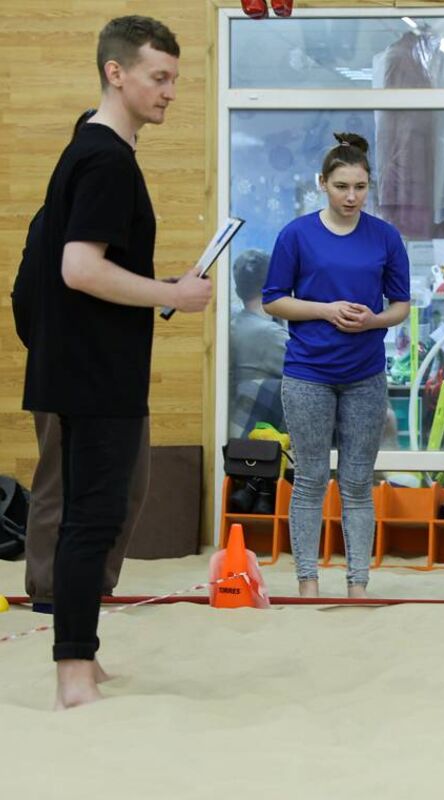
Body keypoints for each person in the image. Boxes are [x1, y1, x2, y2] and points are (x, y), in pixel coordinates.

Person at [22, 16, 213, 709]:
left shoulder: (95, 154)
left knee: (94, 515)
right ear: (116, 73)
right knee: (91, 518)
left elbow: (89, 271)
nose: (169, 93)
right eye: (158, 78)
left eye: (174, 79)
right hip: (92, 372)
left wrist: (161, 292)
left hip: (91, 364)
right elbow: (78, 268)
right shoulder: (103, 158)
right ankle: (73, 671)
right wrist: (172, 294)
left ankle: (84, 659)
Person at [12, 109, 151, 615]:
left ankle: (95, 581)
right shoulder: (52, 218)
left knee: (129, 477)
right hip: (65, 368)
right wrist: (51, 348)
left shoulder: (120, 212)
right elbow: (25, 296)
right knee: (59, 480)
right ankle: (49, 587)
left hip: (116, 372)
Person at [262, 133, 411, 599]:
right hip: (308, 372)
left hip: (365, 373)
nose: (351, 197)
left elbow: (401, 305)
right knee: (309, 478)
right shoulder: (296, 234)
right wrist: (326, 310)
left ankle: (357, 586)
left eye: (360, 187)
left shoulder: (385, 236)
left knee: (356, 482)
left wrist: (374, 320)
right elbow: (274, 302)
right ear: (322, 184)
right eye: (342, 186)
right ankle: (308, 582)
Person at [229, 247, 288, 438]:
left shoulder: (235, 323)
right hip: (259, 440)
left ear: (238, 290)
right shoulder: (268, 334)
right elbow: (314, 373)